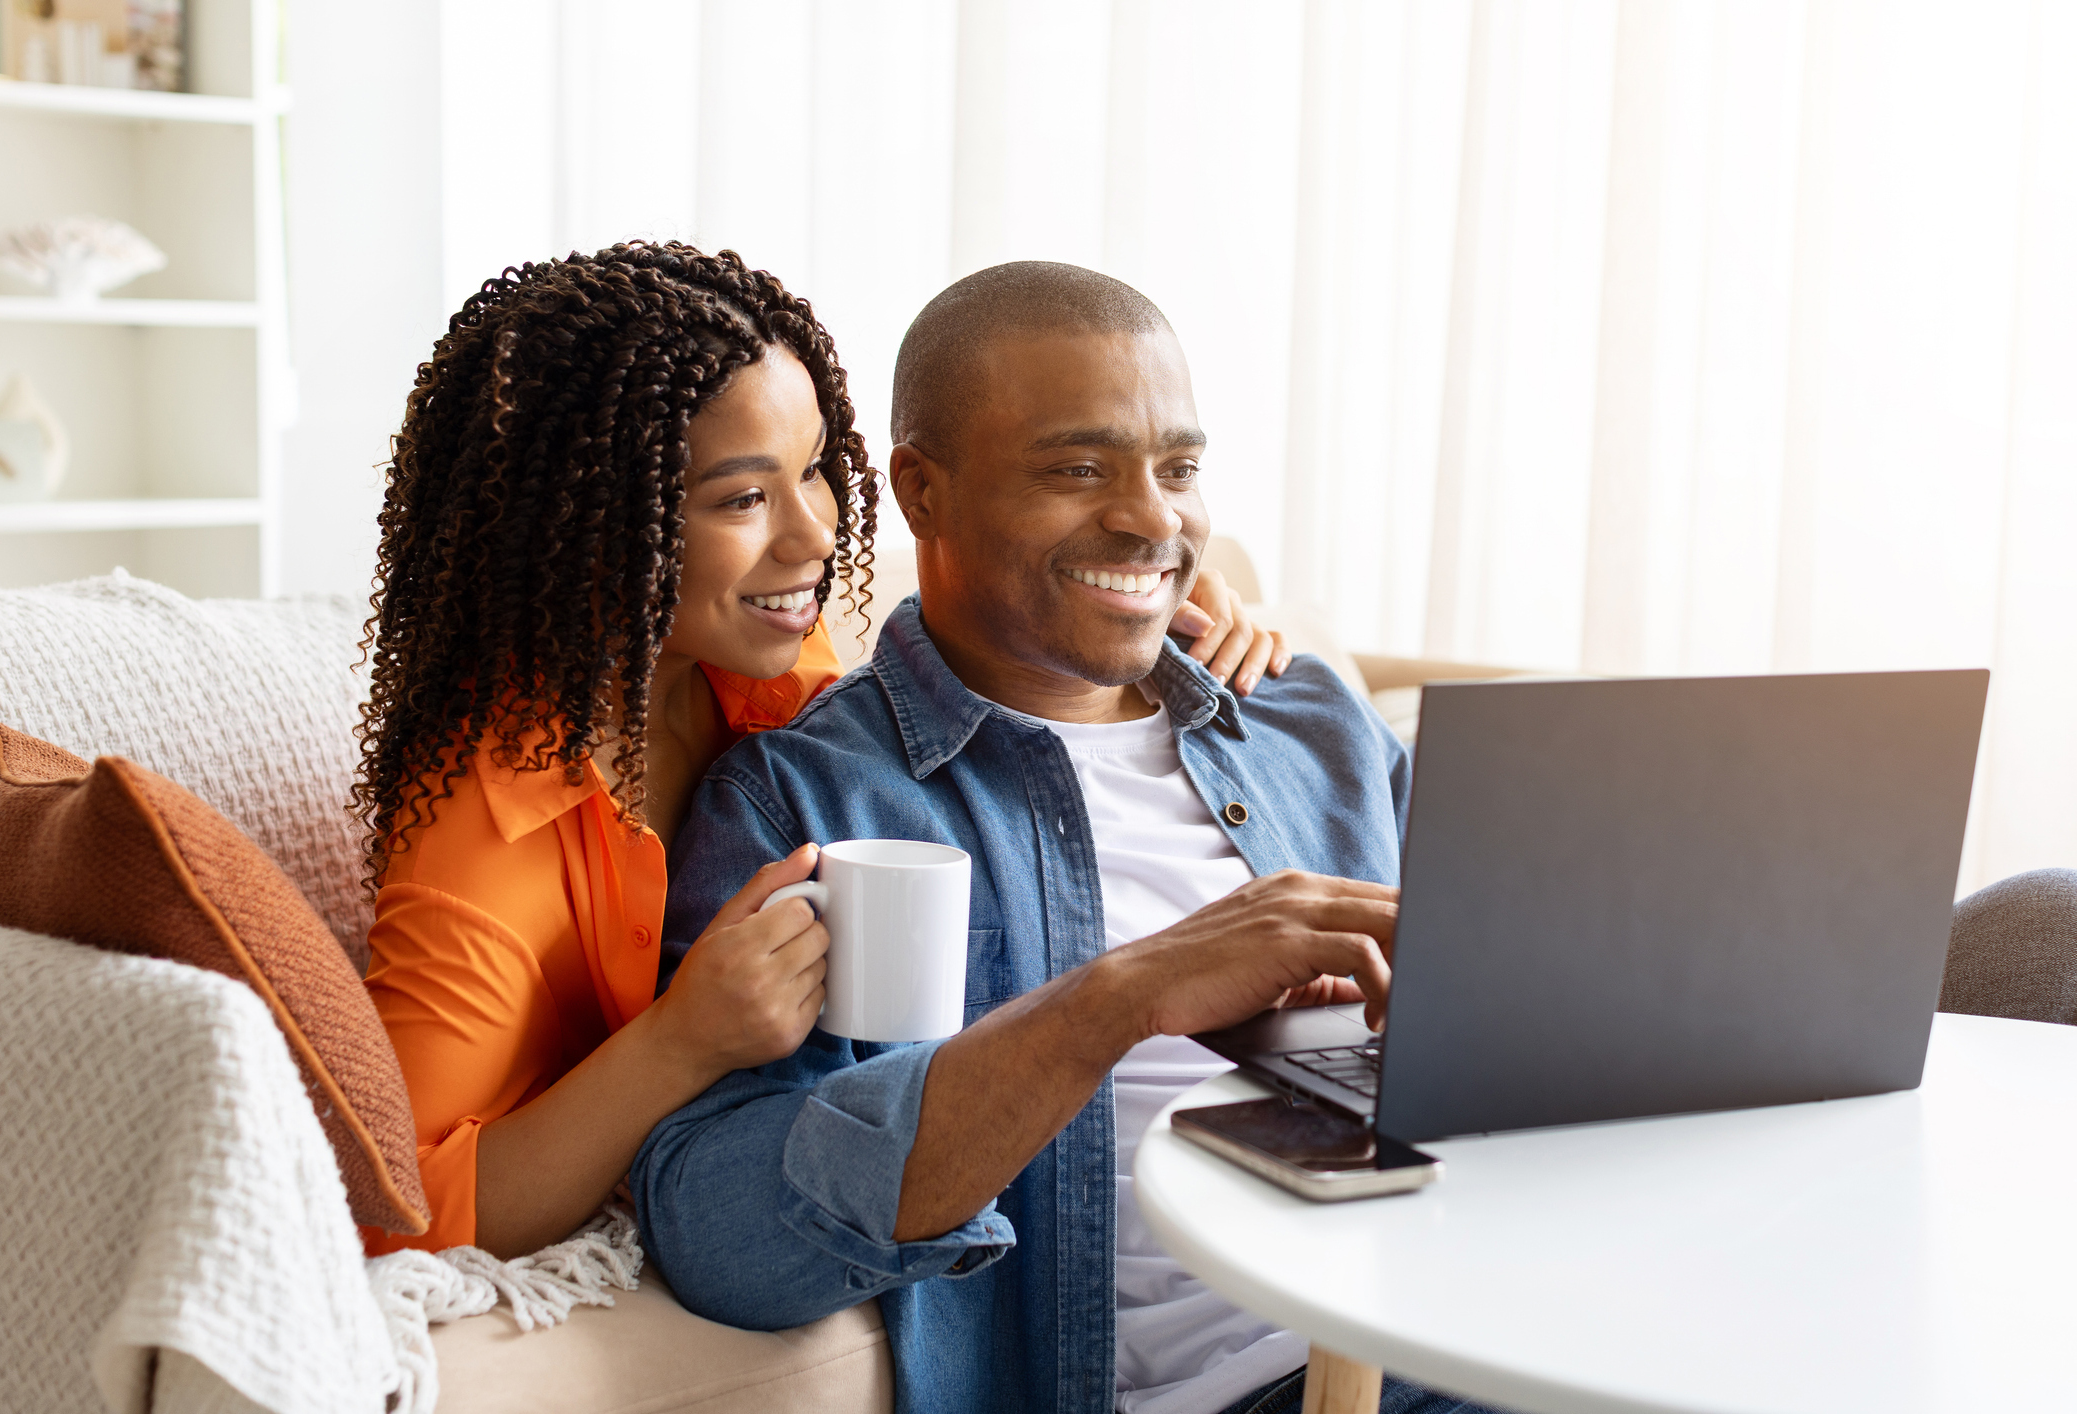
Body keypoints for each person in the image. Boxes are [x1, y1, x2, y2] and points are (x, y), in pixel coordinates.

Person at [633, 262, 1499, 1414]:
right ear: (921, 491)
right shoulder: (808, 805)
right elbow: (720, 1233)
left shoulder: (1311, 726)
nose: (1153, 519)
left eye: (1180, 469)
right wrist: (1117, 998)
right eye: (1080, 469)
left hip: (1481, 1315)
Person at [352, 242, 1287, 1258]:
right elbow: (398, 1214)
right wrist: (677, 1044)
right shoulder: (484, 833)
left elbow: (959, 632)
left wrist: (1146, 601)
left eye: (813, 472)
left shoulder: (764, 663)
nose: (815, 536)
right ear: (594, 528)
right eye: (743, 498)